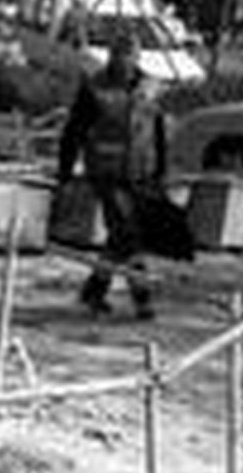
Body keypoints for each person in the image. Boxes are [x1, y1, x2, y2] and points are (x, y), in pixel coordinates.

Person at [57, 31, 167, 320]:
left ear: (137, 57)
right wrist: (65, 171)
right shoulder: (94, 88)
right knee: (128, 232)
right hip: (107, 173)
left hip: (141, 173)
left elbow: (158, 132)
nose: (123, 60)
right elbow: (73, 132)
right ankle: (142, 297)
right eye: (118, 54)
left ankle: (93, 291)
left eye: (129, 54)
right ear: (111, 56)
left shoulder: (150, 87)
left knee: (122, 236)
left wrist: (161, 171)